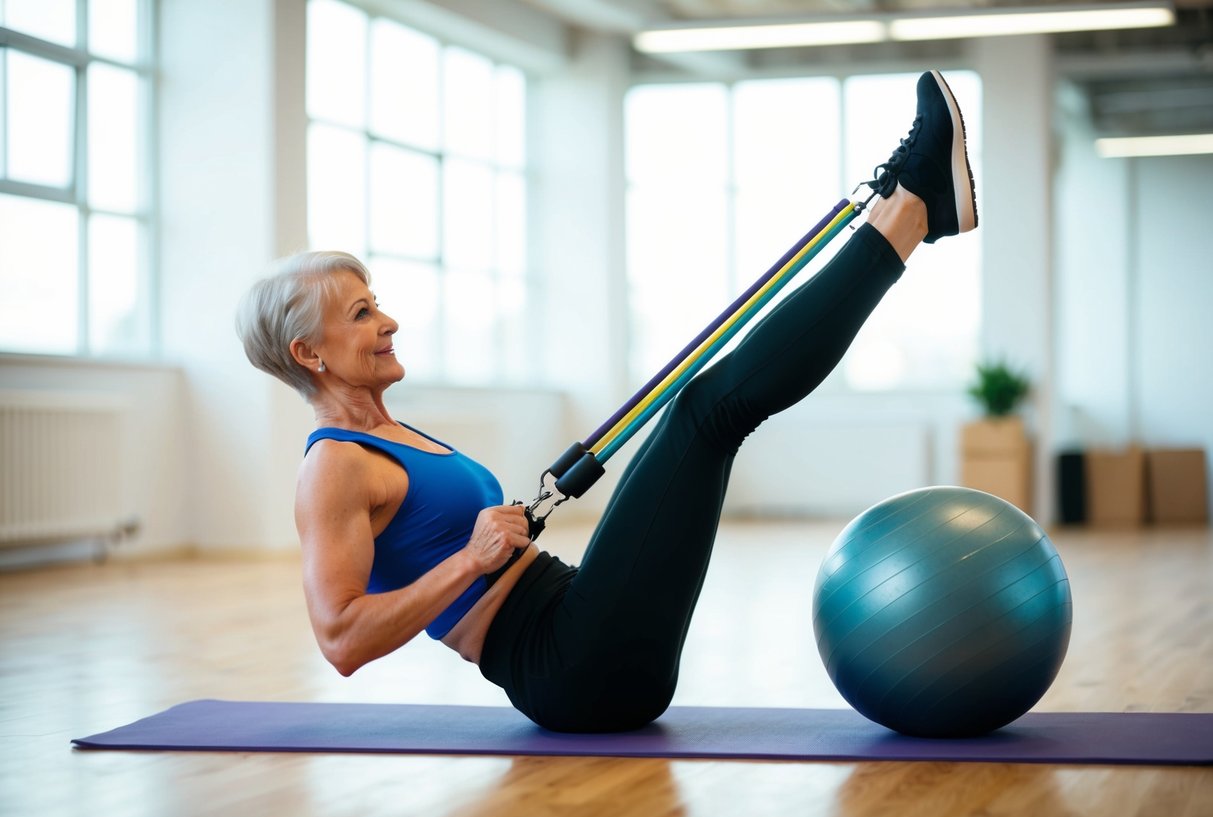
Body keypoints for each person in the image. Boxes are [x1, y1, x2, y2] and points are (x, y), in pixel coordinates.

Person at [237, 70, 978, 733]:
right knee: (706, 412)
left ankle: (911, 212)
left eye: (378, 305)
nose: (388, 321)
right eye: (361, 314)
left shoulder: (389, 433)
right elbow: (340, 640)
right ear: (309, 353)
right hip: (572, 667)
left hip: (578, 625)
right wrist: (469, 560)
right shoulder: (334, 465)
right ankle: (911, 210)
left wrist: (478, 557)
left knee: (704, 411)